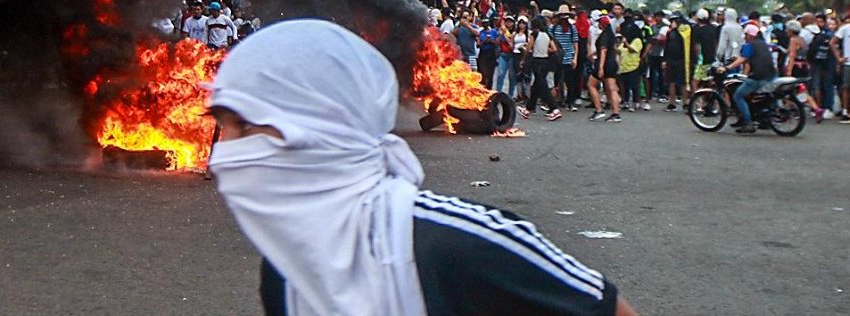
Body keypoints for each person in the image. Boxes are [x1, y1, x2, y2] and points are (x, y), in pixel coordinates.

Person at [207, 20, 632, 315]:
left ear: (320, 123)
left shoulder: (465, 243)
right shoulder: (283, 271)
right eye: (222, 128)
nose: (224, 153)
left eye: (245, 126)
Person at [723, 23, 777, 135]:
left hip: (758, 77)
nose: (745, 37)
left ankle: (748, 123)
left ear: (750, 35)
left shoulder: (749, 45)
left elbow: (743, 59)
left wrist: (727, 68)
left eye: (746, 34)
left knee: (738, 95)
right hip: (771, 75)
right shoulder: (763, 44)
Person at [521, 20, 562, 121]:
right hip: (546, 61)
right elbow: (554, 49)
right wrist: (546, 49)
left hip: (537, 61)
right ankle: (528, 108)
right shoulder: (547, 35)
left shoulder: (534, 34)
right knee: (536, 85)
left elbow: (529, 48)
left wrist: (523, 59)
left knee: (543, 86)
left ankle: (554, 108)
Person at [586, 16, 621, 122]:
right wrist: (593, 54)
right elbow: (612, 49)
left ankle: (598, 109)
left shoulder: (604, 36)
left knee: (591, 85)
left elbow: (604, 51)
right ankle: (616, 113)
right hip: (612, 63)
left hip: (603, 63)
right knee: (612, 89)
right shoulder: (612, 35)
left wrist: (601, 67)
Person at [616, 19, 645, 111]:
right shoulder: (624, 40)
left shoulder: (637, 40)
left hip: (633, 66)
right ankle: (626, 102)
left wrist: (626, 43)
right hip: (624, 67)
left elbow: (632, 50)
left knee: (634, 85)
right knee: (625, 86)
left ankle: (635, 102)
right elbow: (619, 51)